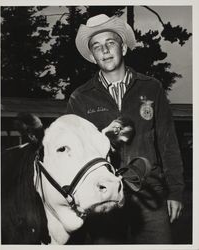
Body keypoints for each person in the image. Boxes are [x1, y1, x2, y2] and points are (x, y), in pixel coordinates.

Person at [66, 14, 184, 244]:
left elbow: (168, 144)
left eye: (110, 42)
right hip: (104, 199)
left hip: (150, 196)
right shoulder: (80, 98)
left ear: (123, 47)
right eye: (97, 46)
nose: (105, 50)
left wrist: (176, 192)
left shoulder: (152, 88)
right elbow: (74, 154)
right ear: (92, 56)